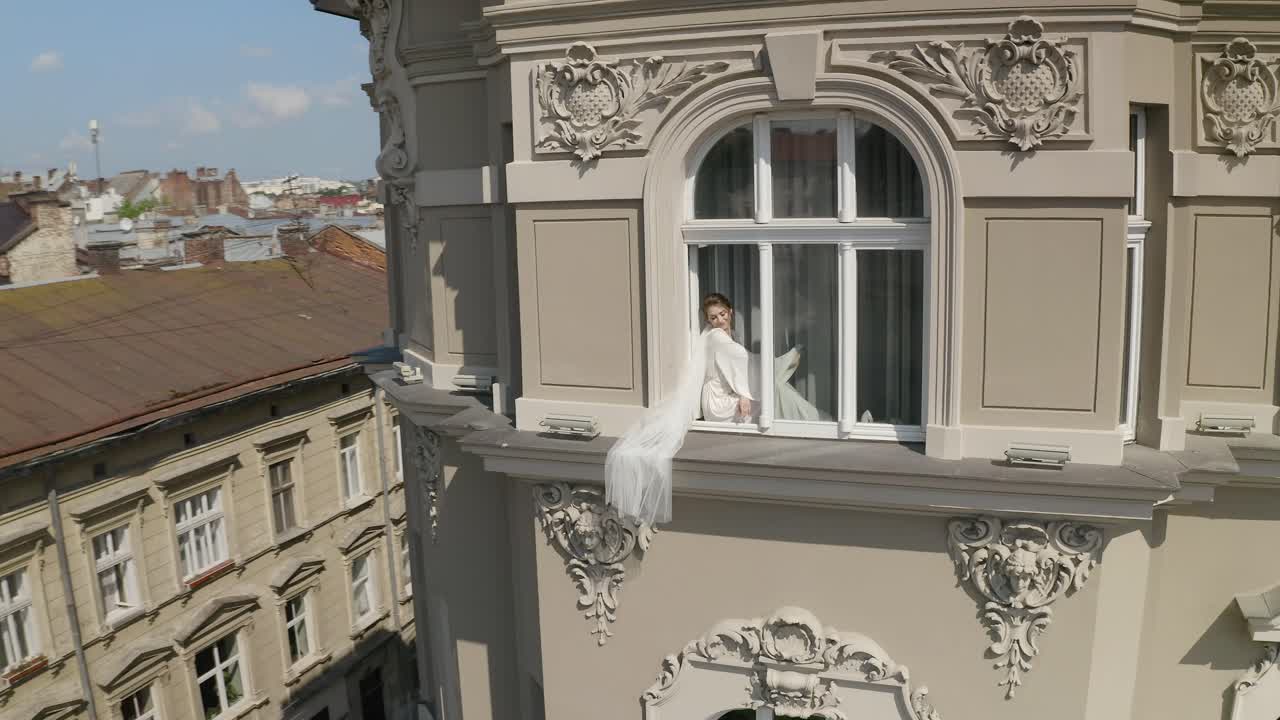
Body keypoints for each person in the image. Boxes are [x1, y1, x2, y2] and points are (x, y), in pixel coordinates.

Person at [606, 292, 822, 526]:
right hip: (717, 401)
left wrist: (743, 392)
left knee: (775, 390)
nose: (719, 321)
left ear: (730, 311)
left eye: (722, 314)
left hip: (726, 394)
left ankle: (809, 417)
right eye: (713, 318)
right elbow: (743, 359)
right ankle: (811, 420)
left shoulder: (729, 335)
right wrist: (748, 390)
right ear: (708, 321)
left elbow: (738, 365)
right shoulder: (717, 337)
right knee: (774, 392)